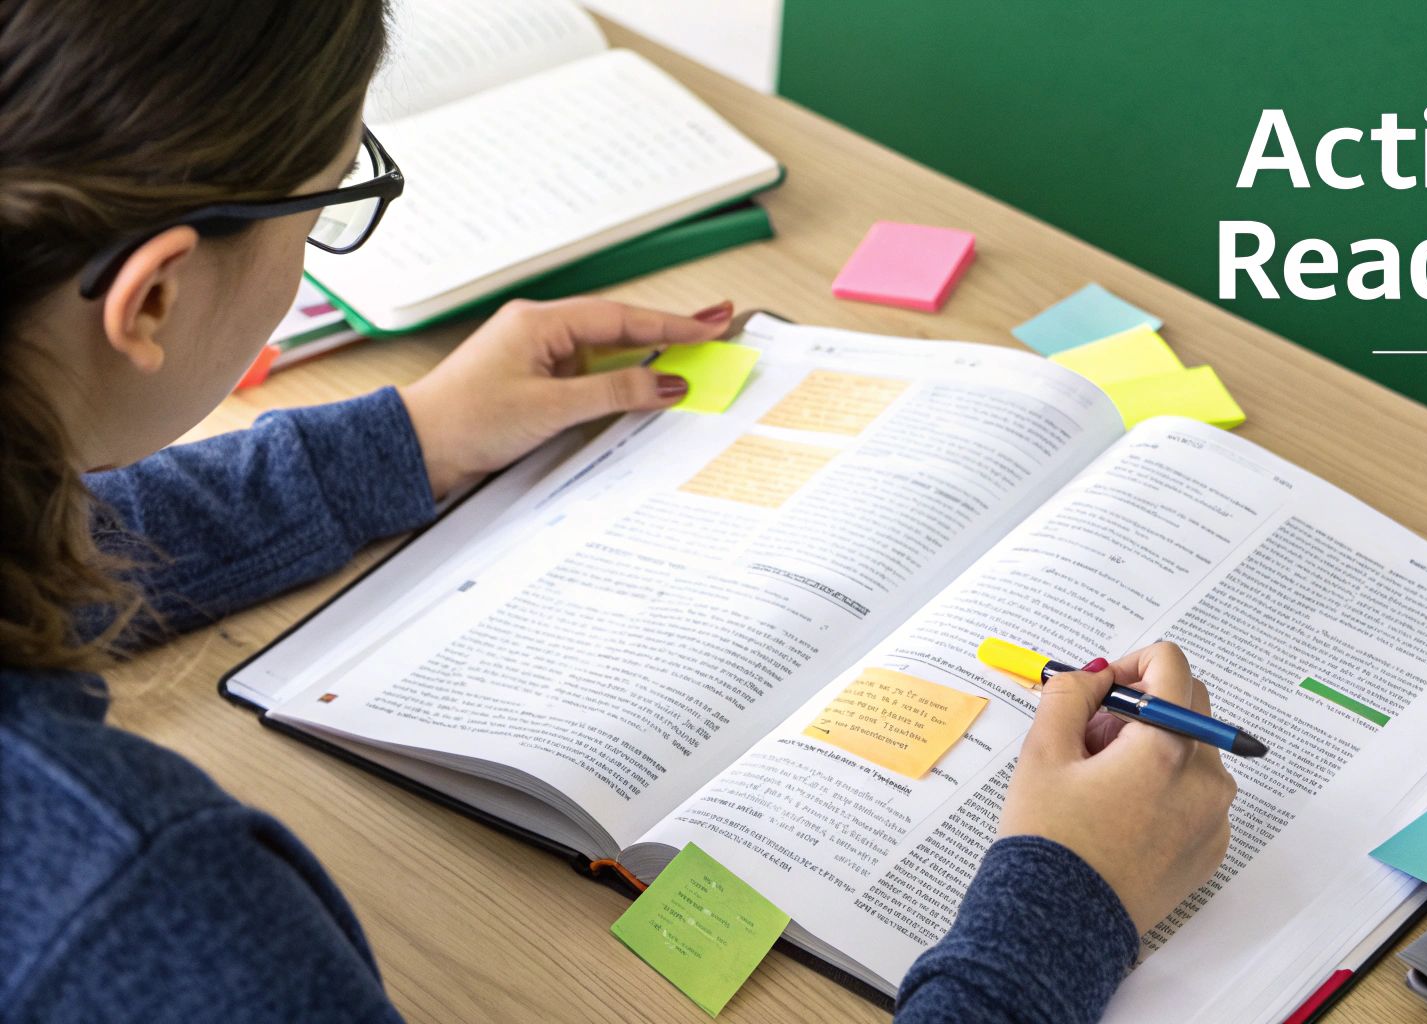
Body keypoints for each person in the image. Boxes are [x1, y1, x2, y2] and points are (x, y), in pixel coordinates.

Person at [0, 3, 1236, 1022]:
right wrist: (1062, 911)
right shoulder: (152, 908)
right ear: (151, 299)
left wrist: (402, 443)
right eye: (328, 205)